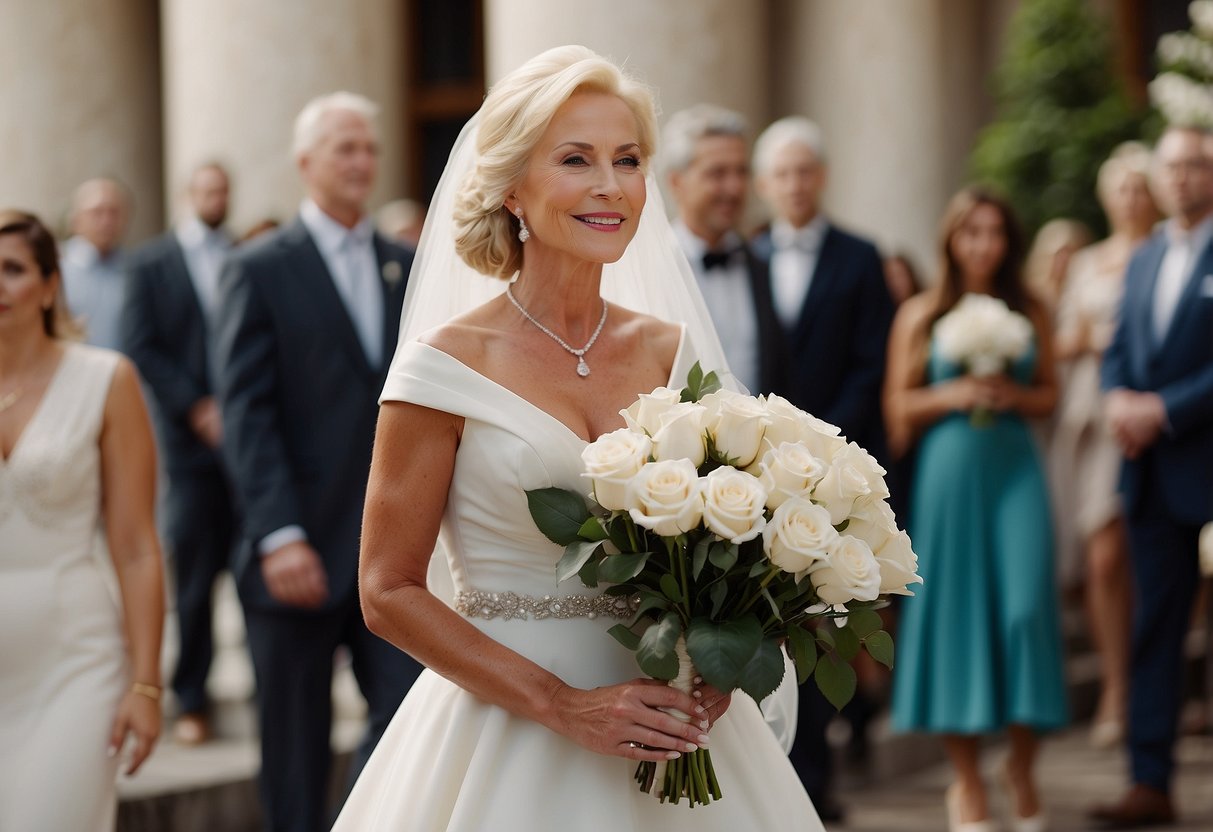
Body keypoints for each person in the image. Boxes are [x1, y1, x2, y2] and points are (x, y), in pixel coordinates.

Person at [331, 45, 823, 831]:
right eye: (575, 159)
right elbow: (386, 591)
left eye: (627, 160)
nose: (609, 186)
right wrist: (562, 705)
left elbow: (739, 540)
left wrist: (724, 653)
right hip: (510, 738)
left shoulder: (673, 352)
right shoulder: (442, 370)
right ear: (512, 189)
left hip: (679, 731)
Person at [213, 93, 422, 832]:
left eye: (367, 147)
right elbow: (246, 412)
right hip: (294, 555)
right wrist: (278, 533)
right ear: (306, 162)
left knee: (410, 723)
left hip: (393, 557)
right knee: (293, 757)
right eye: (344, 148)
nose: (361, 161)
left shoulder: (409, 266)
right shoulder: (258, 268)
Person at [887, 188, 1067, 832]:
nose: (982, 245)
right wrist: (954, 392)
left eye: (993, 233)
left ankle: (1021, 764)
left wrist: (1013, 394)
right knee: (956, 617)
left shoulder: (1033, 308)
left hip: (1014, 466)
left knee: (1024, 611)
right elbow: (897, 412)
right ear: (952, 240)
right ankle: (965, 783)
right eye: (971, 233)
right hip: (949, 475)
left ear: (1008, 242)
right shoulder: (919, 313)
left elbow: (1052, 396)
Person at [748, 114, 896, 819]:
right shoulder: (744, 254)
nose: (794, 184)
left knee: (822, 621)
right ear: (764, 184)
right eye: (781, 173)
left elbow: (872, 359)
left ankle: (813, 782)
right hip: (752, 470)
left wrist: (821, 444)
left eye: (805, 171)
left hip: (833, 463)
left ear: (821, 178)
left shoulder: (859, 257)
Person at [0, 209, 165, 831]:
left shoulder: (105, 378)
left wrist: (146, 685)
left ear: (48, 286)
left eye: (11, 270)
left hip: (75, 665)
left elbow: (136, 548)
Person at [1089, 125, 1213, 829]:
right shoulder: (1141, 259)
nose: (1181, 177)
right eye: (1172, 166)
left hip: (1198, 451)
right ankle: (1148, 781)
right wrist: (1116, 400)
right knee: (1154, 627)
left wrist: (1163, 409)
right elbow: (1117, 349)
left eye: (1195, 164)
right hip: (1151, 473)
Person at [122, 161, 239, 746]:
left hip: (246, 448)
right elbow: (140, 343)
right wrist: (196, 406)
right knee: (193, 581)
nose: (216, 198)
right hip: (188, 451)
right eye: (207, 189)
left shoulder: (244, 255)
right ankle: (191, 698)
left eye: (223, 190)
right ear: (188, 194)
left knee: (255, 577)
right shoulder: (150, 264)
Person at [1048, 143, 1158, 753]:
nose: (1132, 199)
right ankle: (1117, 683)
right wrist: (1091, 336)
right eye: (1122, 188)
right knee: (1103, 560)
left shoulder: (1169, 251)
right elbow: (1060, 340)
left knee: (1153, 560)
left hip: (1158, 418)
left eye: (1141, 188)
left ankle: (1150, 686)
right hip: (1095, 423)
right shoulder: (1089, 263)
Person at [662, 104, 781, 396]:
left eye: (741, 172)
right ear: (677, 182)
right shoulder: (655, 268)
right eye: (717, 173)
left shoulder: (760, 263)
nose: (734, 187)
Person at [61, 177, 132, 351]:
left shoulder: (134, 270)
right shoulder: (57, 270)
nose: (106, 221)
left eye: (114, 213)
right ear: (75, 220)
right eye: (97, 212)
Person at [1024, 218, 1092, 311]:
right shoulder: (1031, 296)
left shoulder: (1086, 295)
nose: (1064, 260)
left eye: (1070, 252)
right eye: (1059, 253)